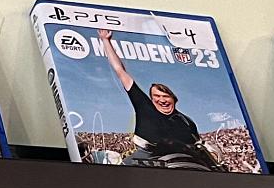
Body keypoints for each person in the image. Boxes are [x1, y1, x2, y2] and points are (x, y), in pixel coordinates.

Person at [96, 28, 224, 170]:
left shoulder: (186, 122)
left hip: (183, 163)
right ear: (151, 100)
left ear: (174, 99)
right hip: (147, 158)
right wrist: (106, 41)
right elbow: (120, 71)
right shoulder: (145, 107)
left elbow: (198, 147)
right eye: (157, 96)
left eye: (165, 96)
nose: (162, 100)